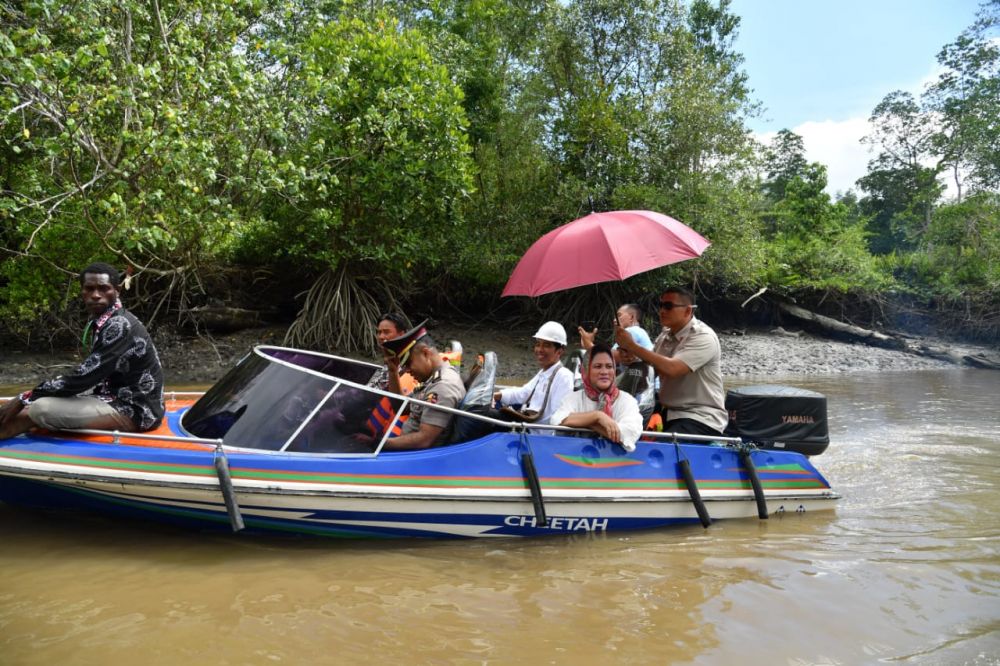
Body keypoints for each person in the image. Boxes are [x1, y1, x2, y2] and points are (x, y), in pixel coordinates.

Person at [0, 262, 165, 440]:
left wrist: (24, 398)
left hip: (135, 410)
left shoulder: (120, 325)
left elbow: (84, 377)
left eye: (103, 288)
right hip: (110, 396)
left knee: (40, 408)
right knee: (36, 405)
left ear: (117, 290)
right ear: (82, 291)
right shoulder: (107, 319)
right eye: (89, 288)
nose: (95, 295)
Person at [614, 286, 727, 437]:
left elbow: (673, 369)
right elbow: (652, 368)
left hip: (699, 416)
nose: (662, 311)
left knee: (663, 449)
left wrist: (632, 346)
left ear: (688, 311)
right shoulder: (665, 336)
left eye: (668, 306)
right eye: (660, 305)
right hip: (668, 412)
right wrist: (630, 358)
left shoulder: (703, 336)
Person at [380, 322, 466, 450]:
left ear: (426, 353)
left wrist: (379, 444)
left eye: (408, 363)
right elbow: (401, 407)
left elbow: (424, 440)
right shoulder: (432, 380)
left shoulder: (442, 386)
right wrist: (393, 372)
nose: (407, 370)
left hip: (414, 460)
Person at [550, 343, 643, 452]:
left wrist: (591, 425)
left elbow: (627, 434)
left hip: (615, 464)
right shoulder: (574, 398)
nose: (604, 372)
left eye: (609, 366)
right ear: (585, 371)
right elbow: (557, 419)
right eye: (597, 366)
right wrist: (597, 416)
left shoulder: (627, 401)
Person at [492, 321, 574, 425]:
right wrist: (495, 395)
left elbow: (557, 416)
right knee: (487, 407)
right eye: (538, 344)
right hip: (527, 424)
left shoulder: (564, 376)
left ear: (559, 351)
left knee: (486, 415)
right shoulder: (544, 372)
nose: (540, 349)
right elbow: (523, 393)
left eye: (546, 345)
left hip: (534, 433)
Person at [367, 312, 418, 395]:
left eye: (386, 332)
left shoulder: (410, 366)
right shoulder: (389, 358)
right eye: (379, 332)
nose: (381, 337)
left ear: (402, 335)